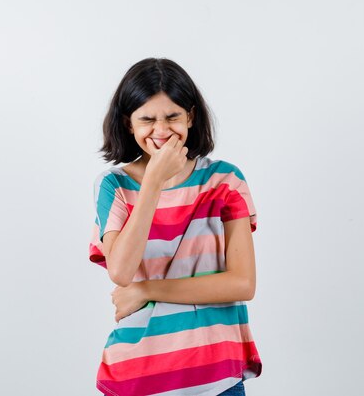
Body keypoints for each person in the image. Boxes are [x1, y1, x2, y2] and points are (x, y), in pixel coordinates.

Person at [88, 58, 262, 396]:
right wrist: (153, 180)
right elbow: (121, 272)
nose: (161, 130)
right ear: (128, 123)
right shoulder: (113, 186)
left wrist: (147, 290)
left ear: (191, 117)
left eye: (172, 117)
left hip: (217, 378)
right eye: (147, 119)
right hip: (138, 375)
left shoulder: (225, 180)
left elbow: (242, 284)